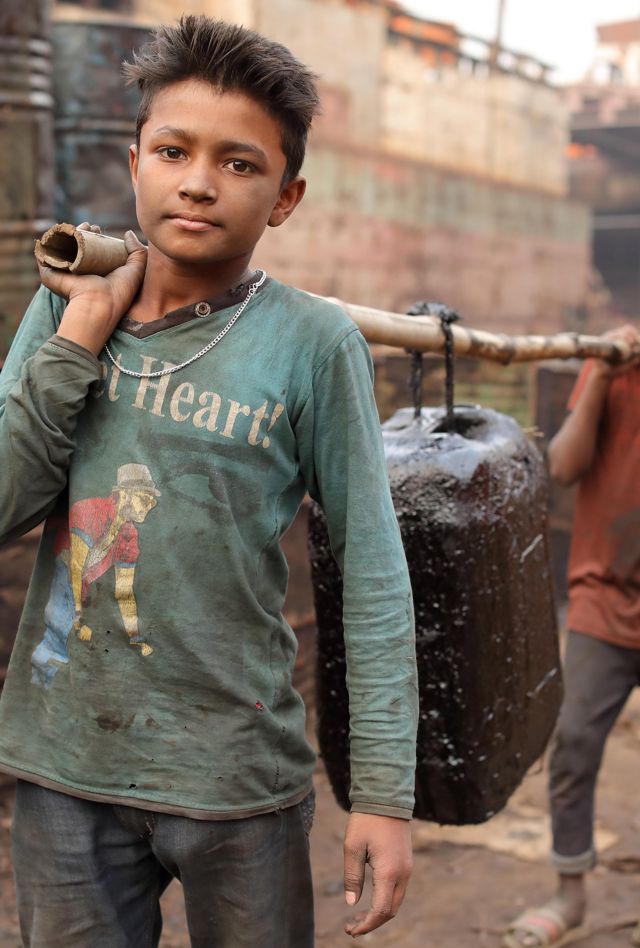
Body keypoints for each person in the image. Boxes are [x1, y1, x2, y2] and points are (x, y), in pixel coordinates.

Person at [0, 17, 418, 947]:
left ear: (285, 197)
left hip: (238, 780)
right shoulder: (66, 302)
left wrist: (383, 794)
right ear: (136, 160)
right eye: (174, 150)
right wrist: (76, 342)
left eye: (238, 163)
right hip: (68, 767)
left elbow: (375, 573)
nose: (197, 180)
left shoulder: (313, 343)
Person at [504, 324, 640, 948]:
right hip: (603, 596)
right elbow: (562, 465)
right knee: (575, 744)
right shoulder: (614, 363)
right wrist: (604, 373)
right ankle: (571, 896)